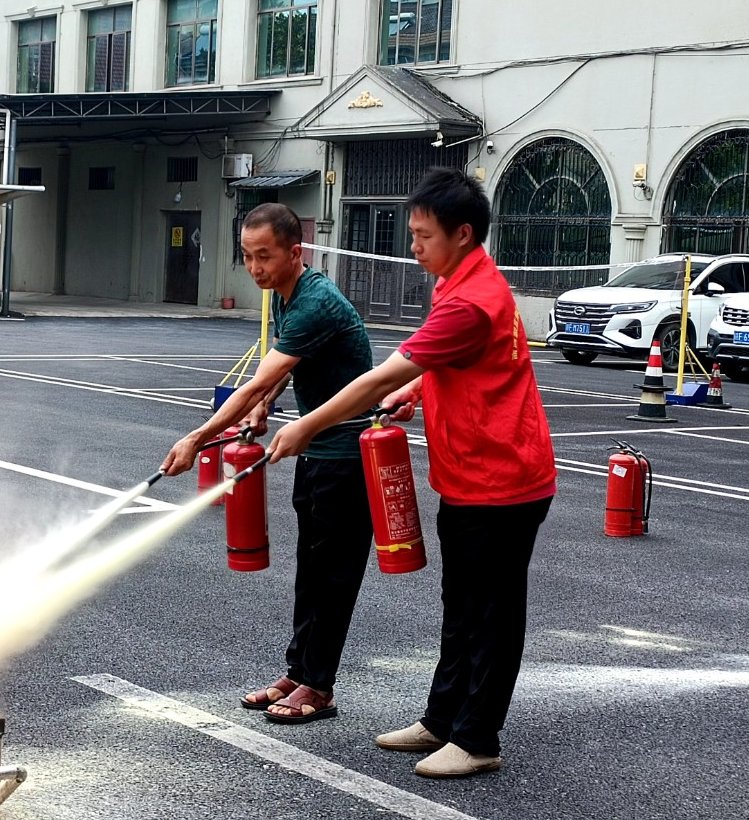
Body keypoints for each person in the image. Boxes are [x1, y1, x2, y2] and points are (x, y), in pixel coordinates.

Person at [268, 166, 556, 779]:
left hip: (503, 481)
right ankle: (442, 719)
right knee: (460, 603)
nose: (414, 247)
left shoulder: (473, 301)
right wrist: (425, 387)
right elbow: (453, 364)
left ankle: (478, 737)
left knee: (492, 612)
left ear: (464, 234)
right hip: (467, 474)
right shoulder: (456, 280)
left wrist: (306, 426)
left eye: (424, 236)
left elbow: (376, 379)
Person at [162, 203, 376, 725]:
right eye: (247, 256)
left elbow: (259, 376)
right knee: (310, 573)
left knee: (332, 579)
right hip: (316, 456)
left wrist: (198, 437)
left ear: (294, 252)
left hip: (347, 459)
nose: (254, 267)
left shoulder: (315, 303)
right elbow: (280, 372)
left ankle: (318, 687)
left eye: (265, 256)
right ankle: (299, 671)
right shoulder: (286, 295)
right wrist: (263, 409)